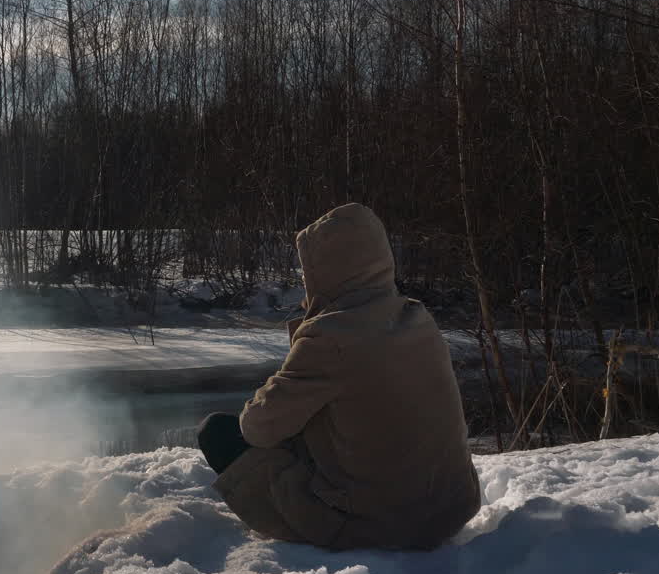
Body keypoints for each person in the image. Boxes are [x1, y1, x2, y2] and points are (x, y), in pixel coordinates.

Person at [197, 203, 481, 550]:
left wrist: (300, 351)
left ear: (324, 270)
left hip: (384, 525)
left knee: (217, 431)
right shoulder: (417, 316)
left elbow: (258, 426)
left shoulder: (332, 335)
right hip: (450, 509)